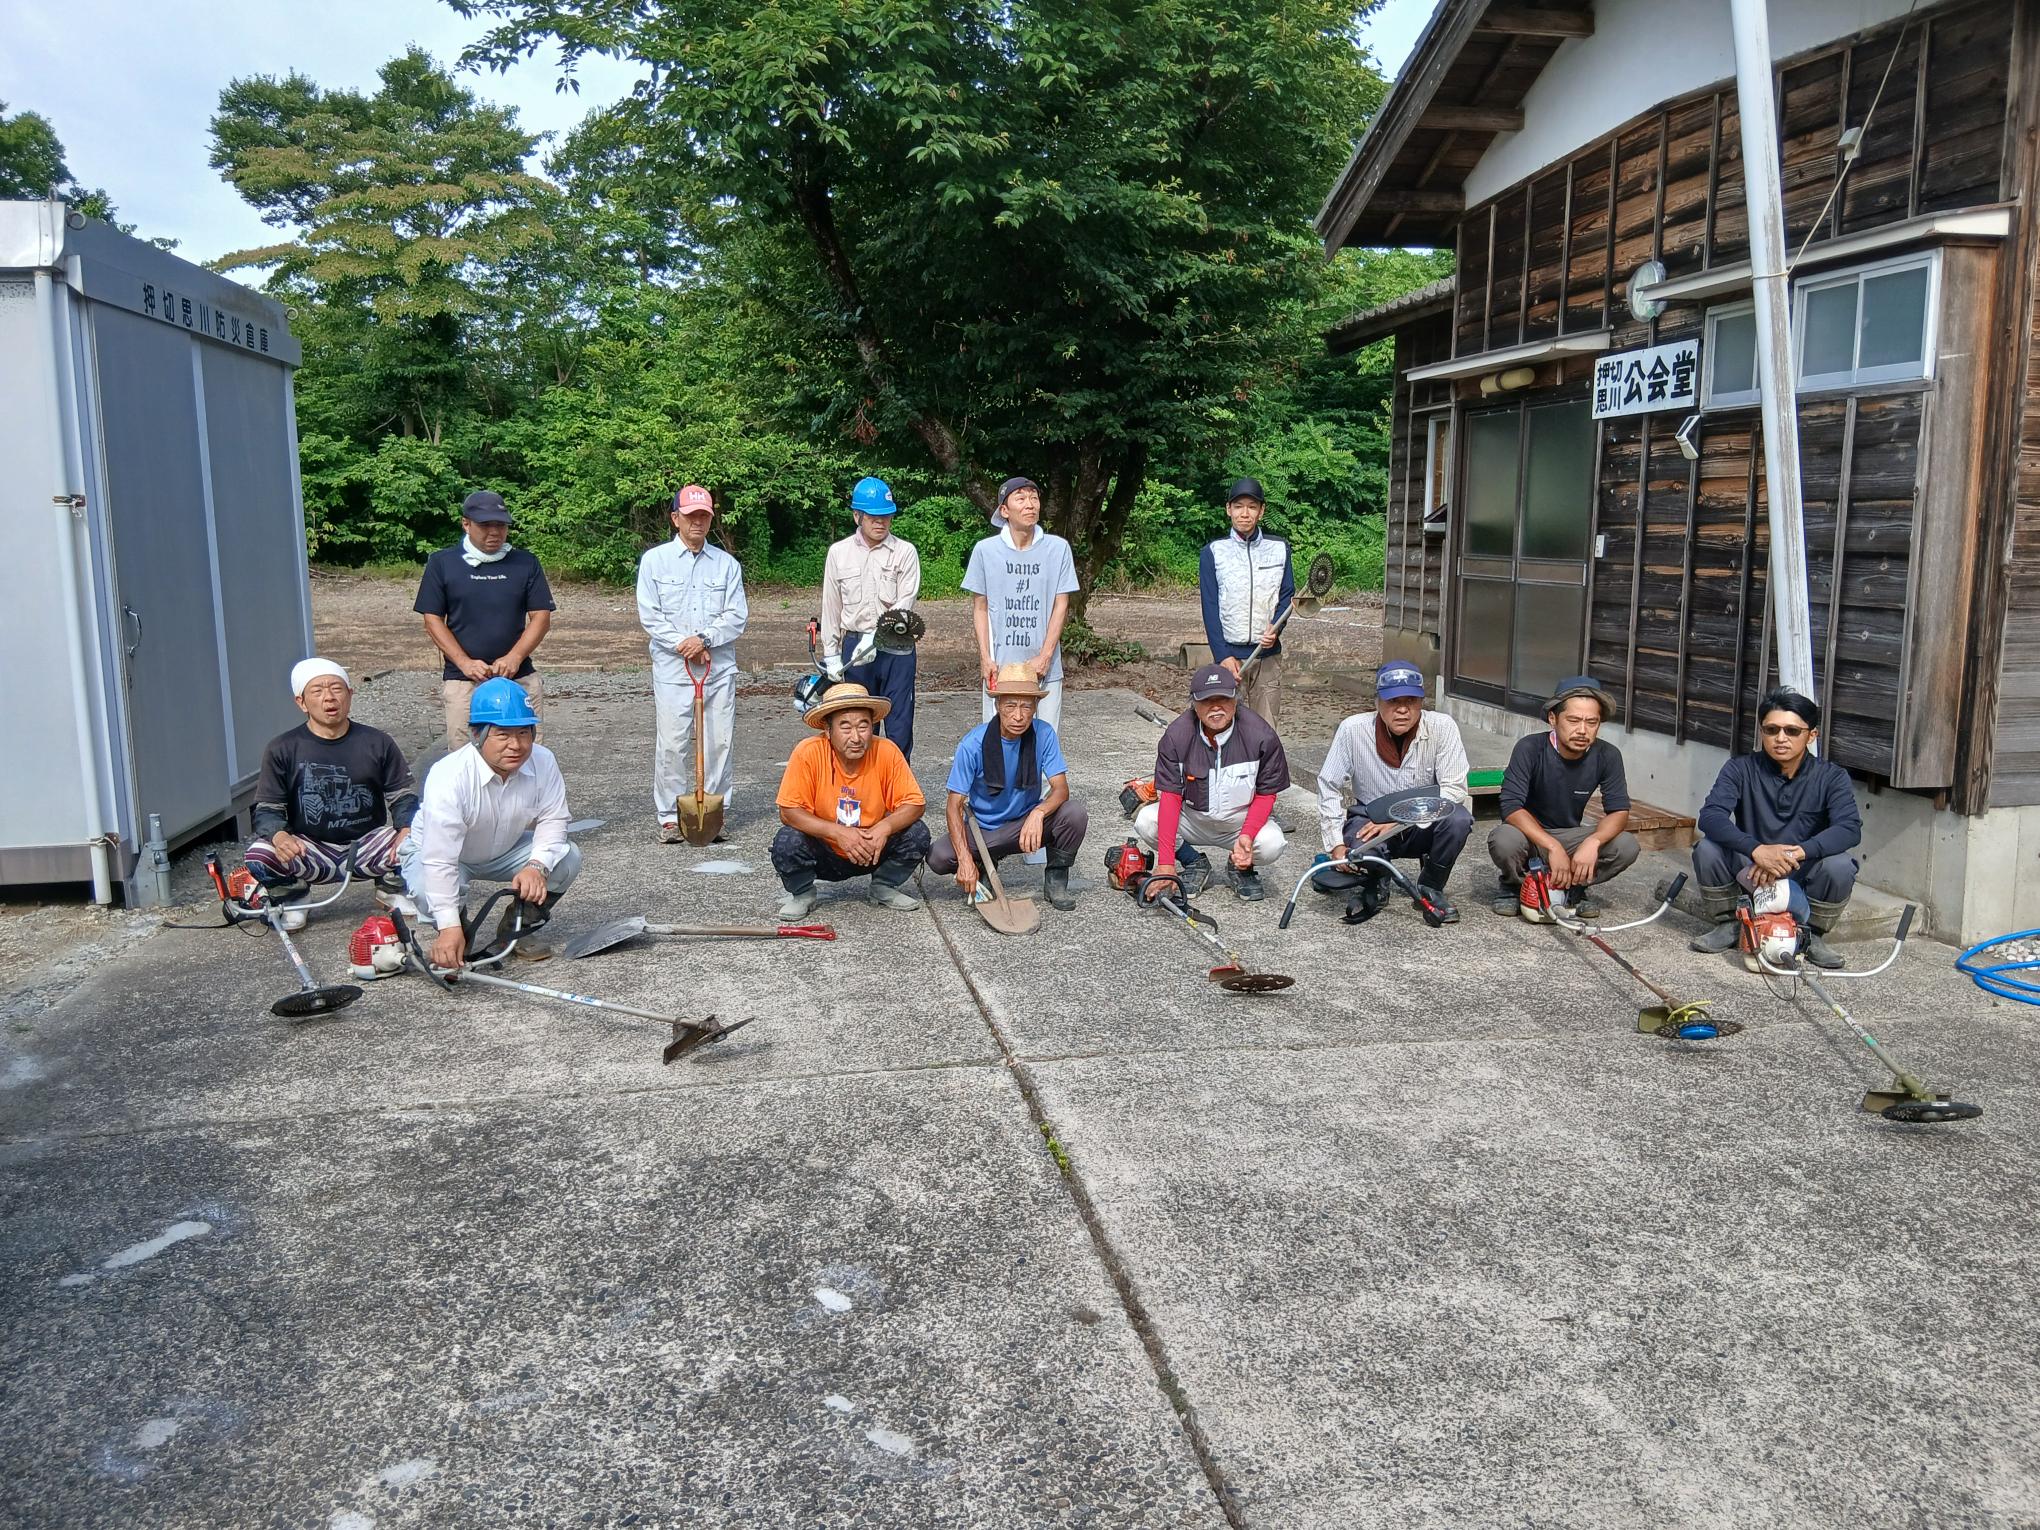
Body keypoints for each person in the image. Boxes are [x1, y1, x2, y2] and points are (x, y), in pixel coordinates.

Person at [398, 677, 581, 968]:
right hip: (444, 855)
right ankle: (458, 931)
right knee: (423, 885)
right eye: (502, 734)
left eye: (524, 732)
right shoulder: (449, 776)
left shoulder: (544, 761)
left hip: (504, 850)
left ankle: (517, 928)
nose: (516, 745)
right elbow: (440, 859)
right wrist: (448, 927)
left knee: (567, 858)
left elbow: (554, 818)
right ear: (477, 734)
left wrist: (536, 866)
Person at [1689, 687, 1861, 969]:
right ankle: (1730, 923)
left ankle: (1810, 935)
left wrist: (1795, 854)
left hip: (1803, 871)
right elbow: (1710, 816)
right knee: (1707, 849)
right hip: (1751, 870)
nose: (1781, 738)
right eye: (1772, 730)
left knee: (1840, 865)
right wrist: (1756, 850)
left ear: (1811, 735)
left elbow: (1849, 828)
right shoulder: (1740, 769)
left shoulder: (1832, 777)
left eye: (1792, 731)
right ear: (1762, 732)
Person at [241, 659, 416, 930]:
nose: (329, 697)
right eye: (318, 691)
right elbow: (267, 809)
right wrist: (280, 835)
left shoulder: (377, 742)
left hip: (366, 847)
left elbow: (402, 796)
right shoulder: (282, 748)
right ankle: (294, 896)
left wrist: (406, 828)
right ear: (301, 702)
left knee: (422, 836)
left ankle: (391, 887)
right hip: (310, 850)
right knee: (259, 854)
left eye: (336, 688)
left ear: (350, 695)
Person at [1314, 661, 1472, 922]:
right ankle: (1376, 881)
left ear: (1422, 702)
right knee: (1360, 847)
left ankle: (1431, 885)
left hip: (1424, 817)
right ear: (1377, 702)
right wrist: (1335, 843)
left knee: (1459, 819)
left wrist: (1401, 819)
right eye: (1393, 701)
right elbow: (1328, 784)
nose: (1402, 710)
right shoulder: (1353, 729)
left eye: (1411, 701)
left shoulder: (1443, 726)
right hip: (1370, 817)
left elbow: (1454, 788)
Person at [636, 484, 749, 843]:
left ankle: (715, 812)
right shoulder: (654, 561)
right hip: (673, 669)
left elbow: (736, 615)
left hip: (718, 667)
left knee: (719, 742)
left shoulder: (727, 565)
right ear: (676, 518)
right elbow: (650, 615)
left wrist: (705, 639)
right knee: (672, 743)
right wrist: (683, 645)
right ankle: (671, 817)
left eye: (704, 515)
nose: (697, 521)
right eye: (690, 515)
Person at [926, 664, 1090, 912]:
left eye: (1026, 706)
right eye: (1010, 706)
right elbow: (954, 805)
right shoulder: (972, 744)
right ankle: (981, 865)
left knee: (1074, 813)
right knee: (938, 856)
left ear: (1036, 707)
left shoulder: (1044, 734)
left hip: (1026, 824)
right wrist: (965, 860)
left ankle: (1056, 880)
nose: (1018, 716)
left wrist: (1038, 813)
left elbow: (1060, 789)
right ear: (998, 705)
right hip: (986, 830)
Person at [1487, 676, 1641, 920]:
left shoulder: (1608, 755)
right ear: (1553, 719)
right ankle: (1515, 886)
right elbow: (1511, 806)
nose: (1582, 730)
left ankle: (1573, 888)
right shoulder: (1530, 748)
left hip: (1571, 836)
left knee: (1626, 845)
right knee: (1504, 839)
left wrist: (1593, 842)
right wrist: (1552, 846)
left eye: (1592, 722)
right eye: (1573, 720)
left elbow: (1619, 811)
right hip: (1531, 836)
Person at [771, 682, 931, 917]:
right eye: (845, 727)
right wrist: (837, 833)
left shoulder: (886, 750)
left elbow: (915, 803)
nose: (856, 737)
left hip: (873, 847)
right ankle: (803, 893)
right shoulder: (808, 752)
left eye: (863, 726)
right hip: (825, 849)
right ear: (828, 730)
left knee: (917, 833)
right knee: (787, 841)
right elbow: (788, 812)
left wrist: (883, 828)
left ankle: (884, 885)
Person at [414, 489, 556, 752]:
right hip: (463, 679)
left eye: (501, 525)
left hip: (519, 676)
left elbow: (541, 617)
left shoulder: (525, 563)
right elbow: (432, 619)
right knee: (464, 756)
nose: (494, 532)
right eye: (485, 525)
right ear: (466, 524)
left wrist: (514, 657)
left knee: (527, 753)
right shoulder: (442, 563)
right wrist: (464, 662)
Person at [1134, 663, 1289, 901]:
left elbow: (1266, 794)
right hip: (1193, 820)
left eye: (1223, 699)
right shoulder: (1176, 736)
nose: (1216, 707)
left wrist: (1247, 835)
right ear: (1194, 705)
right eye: (1207, 701)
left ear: (1236, 700)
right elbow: (1171, 797)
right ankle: (1193, 861)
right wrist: (1166, 863)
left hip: (1239, 823)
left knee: (1272, 843)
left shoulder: (1262, 736)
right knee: (1146, 821)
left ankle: (1240, 866)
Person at [964, 476, 1080, 734]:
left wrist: (1045, 657)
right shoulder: (985, 550)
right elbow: (980, 608)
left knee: (1044, 739)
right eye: (1021, 498)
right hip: (1000, 667)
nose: (1030, 504)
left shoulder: (1058, 549)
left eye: (1034, 498)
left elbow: (1061, 605)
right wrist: (985, 658)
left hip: (1045, 669)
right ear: (1004, 510)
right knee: (998, 740)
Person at [820, 476, 923, 760]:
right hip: (855, 648)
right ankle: (861, 783)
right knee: (858, 726)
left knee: (899, 726)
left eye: (886, 516)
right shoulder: (839, 553)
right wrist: (831, 655)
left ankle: (898, 784)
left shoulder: (905, 552)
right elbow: (831, 606)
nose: (881, 522)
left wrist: (877, 635)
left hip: (896, 648)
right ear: (857, 516)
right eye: (873, 516)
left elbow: (905, 602)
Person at [1198, 476, 1295, 726]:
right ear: (1228, 509)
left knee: (1266, 729)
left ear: (1261, 511)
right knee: (1227, 727)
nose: (1245, 513)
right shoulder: (1213, 552)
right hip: (1230, 659)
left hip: (1268, 657)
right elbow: (1210, 606)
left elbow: (1287, 595)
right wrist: (1222, 655)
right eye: (1238, 506)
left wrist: (1276, 629)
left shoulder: (1279, 549)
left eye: (1252, 507)